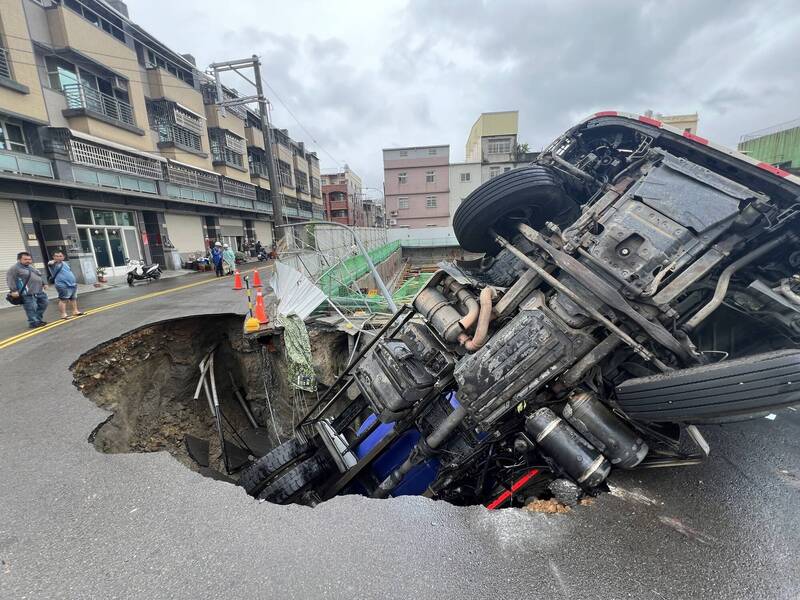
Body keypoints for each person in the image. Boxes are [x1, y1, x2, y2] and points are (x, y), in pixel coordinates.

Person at [6, 251, 49, 328]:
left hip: (39, 291)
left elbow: (38, 275)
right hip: (27, 293)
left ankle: (37, 319)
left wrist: (44, 283)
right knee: (31, 308)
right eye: (25, 259)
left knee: (44, 304)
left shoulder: (30, 267)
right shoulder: (14, 268)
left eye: (29, 259)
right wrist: (13, 290)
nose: (28, 261)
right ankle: (33, 322)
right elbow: (10, 279)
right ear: (19, 260)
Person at [48, 250, 83, 320]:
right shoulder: (54, 264)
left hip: (72, 284)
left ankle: (75, 311)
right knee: (63, 299)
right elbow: (50, 263)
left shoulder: (65, 263)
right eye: (56, 256)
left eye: (60, 256)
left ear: (63, 257)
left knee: (73, 298)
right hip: (62, 284)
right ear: (53, 257)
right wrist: (52, 261)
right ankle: (63, 314)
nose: (58, 257)